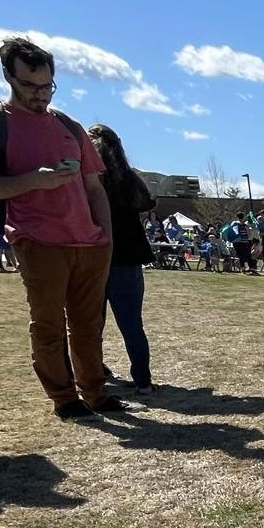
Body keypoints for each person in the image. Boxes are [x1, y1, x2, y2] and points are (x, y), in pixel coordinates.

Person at [0, 36, 123, 418]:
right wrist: (34, 179)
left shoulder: (69, 125)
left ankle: (96, 392)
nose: (41, 94)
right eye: (30, 86)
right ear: (8, 77)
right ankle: (64, 398)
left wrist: (106, 237)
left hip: (89, 242)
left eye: (47, 85)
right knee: (48, 323)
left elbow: (94, 187)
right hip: (38, 240)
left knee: (89, 324)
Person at [86, 124, 159, 389]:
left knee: (91, 325)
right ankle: (143, 381)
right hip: (127, 258)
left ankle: (92, 375)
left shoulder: (89, 179)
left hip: (94, 257)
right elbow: (148, 203)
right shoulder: (129, 179)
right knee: (132, 325)